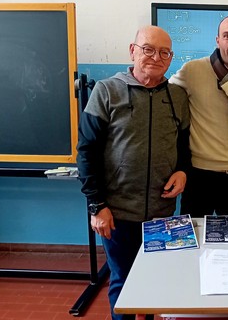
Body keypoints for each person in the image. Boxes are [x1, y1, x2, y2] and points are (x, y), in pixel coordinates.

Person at [76, 26, 190, 320]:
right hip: (117, 213)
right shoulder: (106, 90)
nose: (155, 57)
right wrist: (96, 205)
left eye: (164, 52)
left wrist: (182, 171)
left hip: (162, 212)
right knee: (124, 282)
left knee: (154, 281)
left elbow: (185, 146)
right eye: (148, 49)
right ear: (133, 50)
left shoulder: (178, 96)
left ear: (171, 58)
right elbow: (86, 151)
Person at [170, 15, 228, 217]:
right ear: (217, 40)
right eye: (227, 36)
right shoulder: (192, 71)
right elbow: (164, 100)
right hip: (198, 177)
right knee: (195, 238)